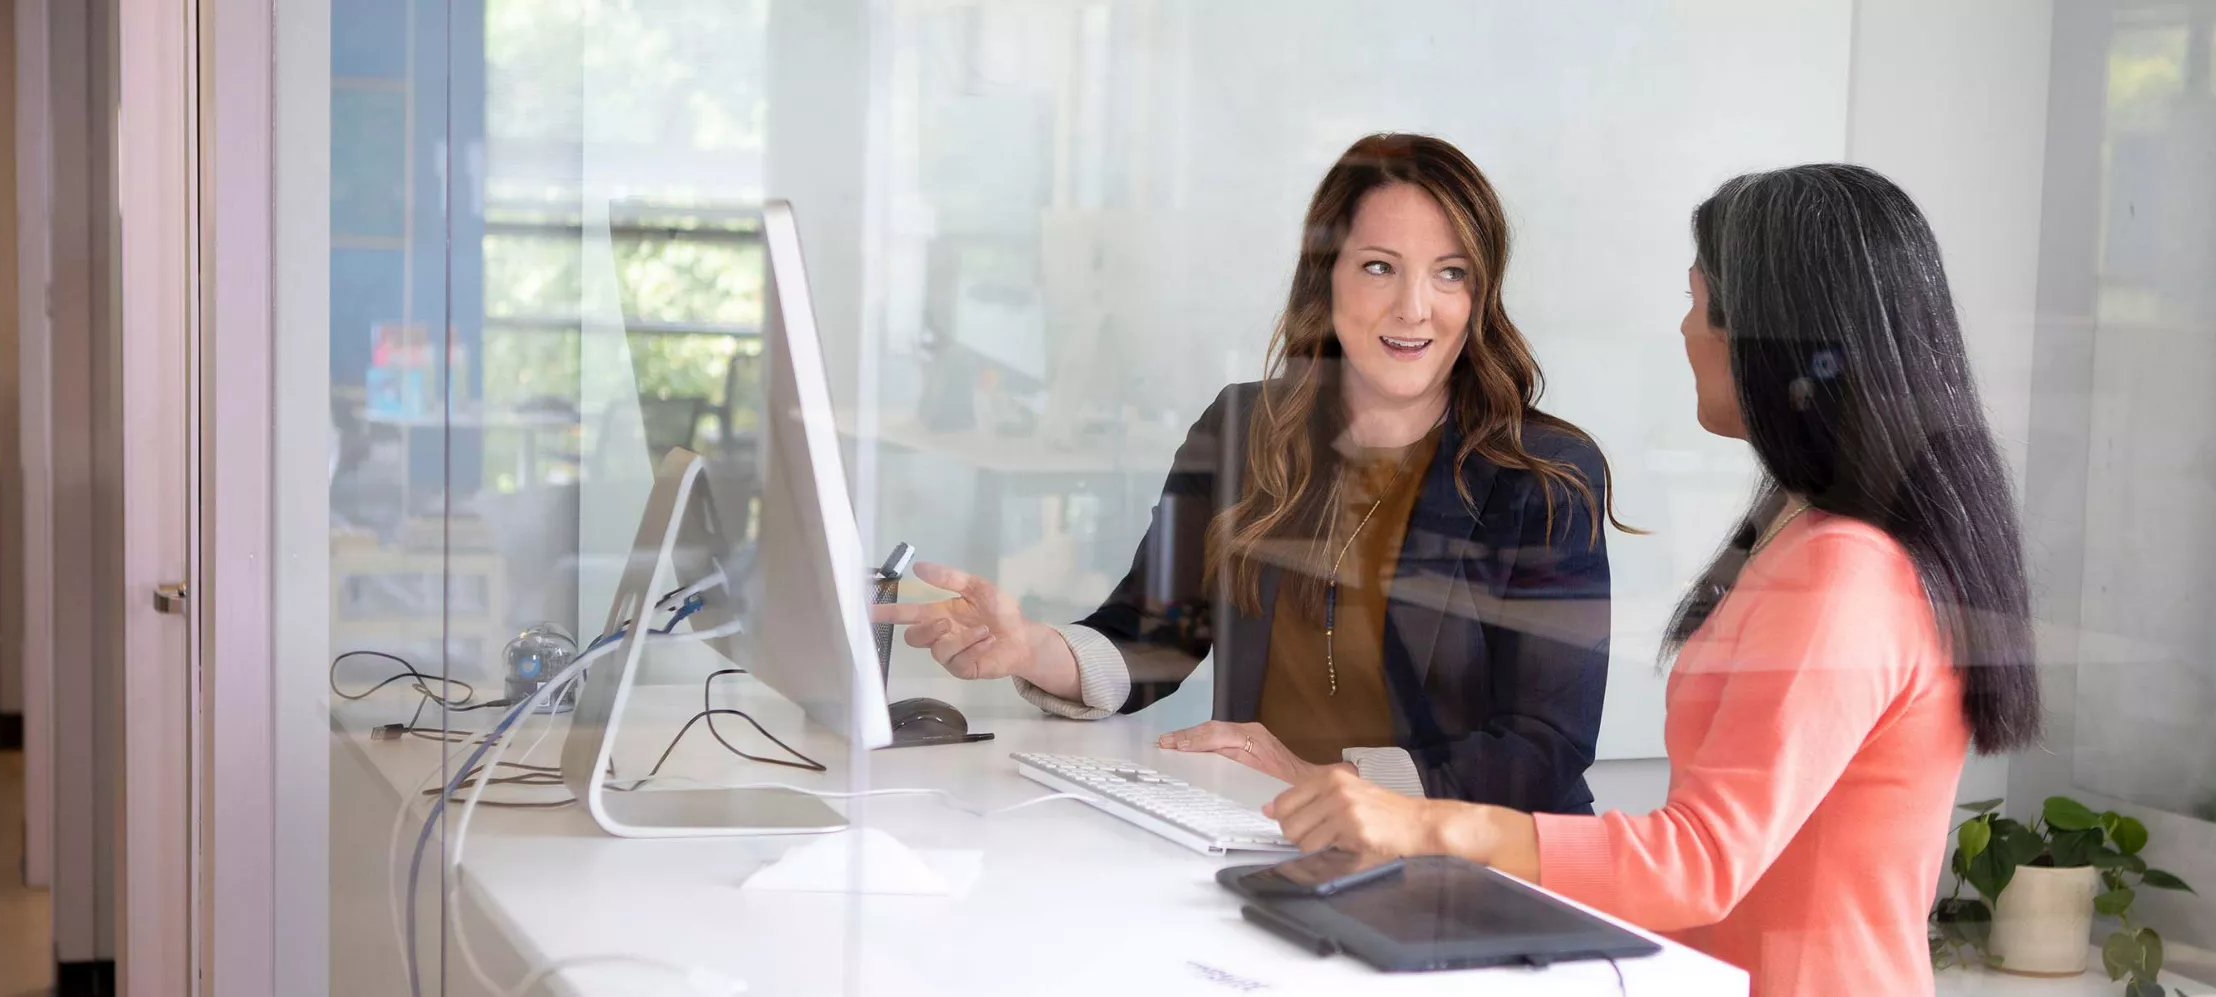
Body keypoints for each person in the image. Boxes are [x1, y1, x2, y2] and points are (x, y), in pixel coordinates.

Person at [1261, 164, 2042, 997]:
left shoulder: (1845, 566)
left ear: (1773, 333)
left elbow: (1701, 859)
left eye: (1699, 299)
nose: (1683, 327)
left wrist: (1426, 822)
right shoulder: (1803, 526)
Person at [871, 133, 1627, 813]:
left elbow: (1542, 748)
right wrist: (1031, 645)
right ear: (1325, 281)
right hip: (1267, 828)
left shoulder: (1544, 475)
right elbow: (1156, 634)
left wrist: (1324, 779)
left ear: (1481, 293)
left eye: (1450, 273)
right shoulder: (1241, 431)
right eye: (1378, 268)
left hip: (1467, 873)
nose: (1414, 308)